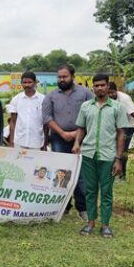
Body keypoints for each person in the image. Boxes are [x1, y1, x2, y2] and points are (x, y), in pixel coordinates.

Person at [72, 74, 128, 238]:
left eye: (102, 85)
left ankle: (105, 225)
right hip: (89, 154)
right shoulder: (86, 107)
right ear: (93, 88)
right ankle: (90, 222)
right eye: (96, 86)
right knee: (90, 190)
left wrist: (118, 159)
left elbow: (121, 133)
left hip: (108, 156)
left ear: (108, 87)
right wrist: (77, 143)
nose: (99, 88)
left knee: (106, 191)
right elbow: (81, 128)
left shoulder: (117, 108)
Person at [42, 64, 94, 220]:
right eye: (59, 77)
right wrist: (63, 133)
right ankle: (62, 206)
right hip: (59, 138)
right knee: (61, 173)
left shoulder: (85, 93)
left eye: (64, 76)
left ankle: (82, 208)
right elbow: (47, 118)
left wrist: (76, 133)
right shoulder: (50, 96)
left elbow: (91, 115)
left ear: (73, 77)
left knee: (80, 173)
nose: (61, 79)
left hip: (82, 137)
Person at [107, 82, 134, 180]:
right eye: (108, 93)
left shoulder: (124, 99)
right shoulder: (106, 98)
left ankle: (122, 176)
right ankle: (113, 173)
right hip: (115, 126)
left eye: (112, 93)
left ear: (116, 90)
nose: (110, 95)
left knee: (122, 150)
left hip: (128, 126)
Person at [8, 71, 46, 149]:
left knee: (36, 161)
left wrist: (45, 142)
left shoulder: (43, 99)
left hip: (37, 142)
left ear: (35, 83)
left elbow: (46, 123)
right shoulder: (16, 99)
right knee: (18, 161)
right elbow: (13, 121)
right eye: (24, 82)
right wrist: (11, 141)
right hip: (19, 141)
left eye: (29, 82)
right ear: (21, 83)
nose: (27, 85)